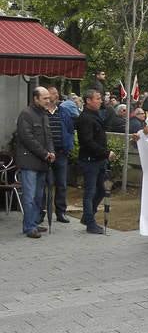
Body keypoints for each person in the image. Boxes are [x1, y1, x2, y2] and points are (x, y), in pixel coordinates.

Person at [76, 89, 117, 234]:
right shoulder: (85, 118)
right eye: (97, 98)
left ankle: (88, 216)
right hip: (90, 160)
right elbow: (87, 142)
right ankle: (90, 223)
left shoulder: (96, 115)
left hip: (99, 160)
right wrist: (106, 153)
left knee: (101, 190)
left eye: (100, 98)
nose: (100, 101)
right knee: (90, 192)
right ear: (88, 100)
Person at [16, 87, 55, 238]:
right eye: (44, 98)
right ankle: (29, 227)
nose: (48, 100)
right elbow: (28, 139)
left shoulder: (44, 115)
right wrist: (46, 154)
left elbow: (49, 136)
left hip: (42, 162)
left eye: (48, 98)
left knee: (38, 197)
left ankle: (34, 223)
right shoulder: (26, 114)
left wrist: (52, 152)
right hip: (30, 162)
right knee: (30, 196)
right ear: (36, 99)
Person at [46, 87, 77, 224]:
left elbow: (70, 129)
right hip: (45, 154)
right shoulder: (42, 112)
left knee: (62, 184)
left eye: (57, 93)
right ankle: (42, 212)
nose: (56, 95)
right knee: (45, 184)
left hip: (61, 152)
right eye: (53, 93)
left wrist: (68, 146)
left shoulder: (63, 111)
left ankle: (61, 212)